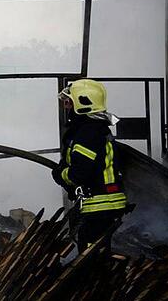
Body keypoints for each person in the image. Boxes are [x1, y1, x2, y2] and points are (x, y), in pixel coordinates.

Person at [53, 79, 127, 251]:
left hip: (100, 205)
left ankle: (100, 278)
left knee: (91, 257)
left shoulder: (88, 133)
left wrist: (60, 174)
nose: (66, 106)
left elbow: (79, 174)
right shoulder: (92, 129)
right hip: (103, 204)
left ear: (82, 103)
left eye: (69, 101)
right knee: (94, 252)